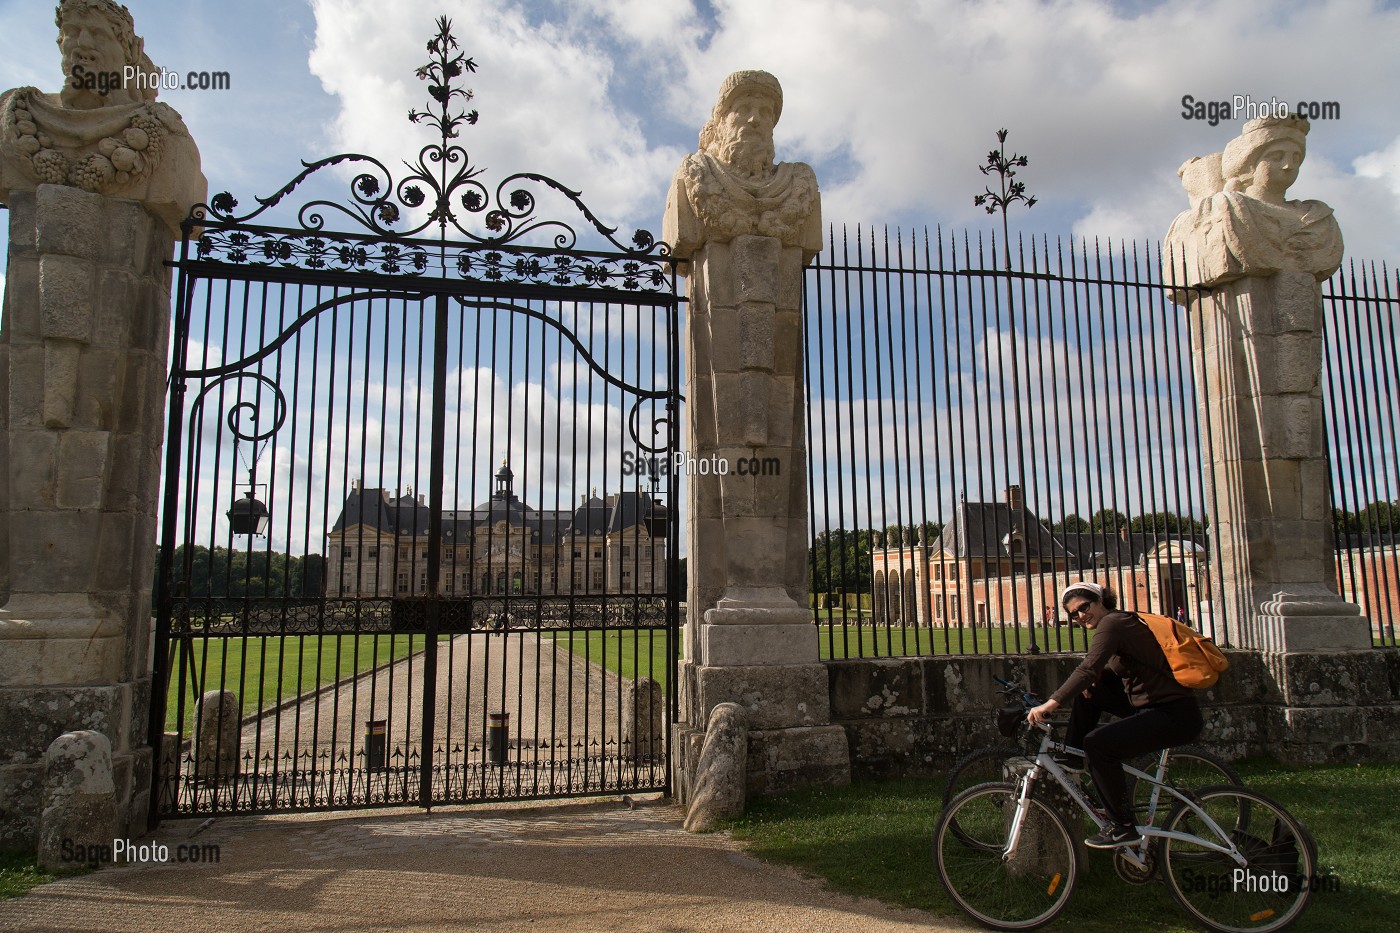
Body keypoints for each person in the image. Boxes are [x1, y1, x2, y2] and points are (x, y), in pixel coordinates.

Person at [1026, 581, 1204, 848]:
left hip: (1172, 713)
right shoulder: (1120, 622)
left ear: (1101, 601)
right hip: (1157, 706)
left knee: (1098, 745)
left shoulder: (1112, 624)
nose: (1080, 616)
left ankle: (1122, 827)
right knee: (1091, 693)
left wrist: (1051, 703)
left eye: (1084, 607)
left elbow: (1087, 669)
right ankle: (1073, 756)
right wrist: (1093, 683)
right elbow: (1107, 671)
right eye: (1073, 614)